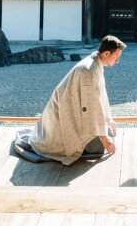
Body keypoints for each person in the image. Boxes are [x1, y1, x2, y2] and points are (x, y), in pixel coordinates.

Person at [14, 35, 126, 164]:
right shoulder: (88, 70)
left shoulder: (95, 62)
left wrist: (108, 119)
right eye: (116, 57)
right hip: (63, 118)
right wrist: (104, 139)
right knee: (99, 148)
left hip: (72, 110)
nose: (117, 61)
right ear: (106, 53)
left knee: (104, 136)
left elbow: (100, 97)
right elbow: (91, 108)